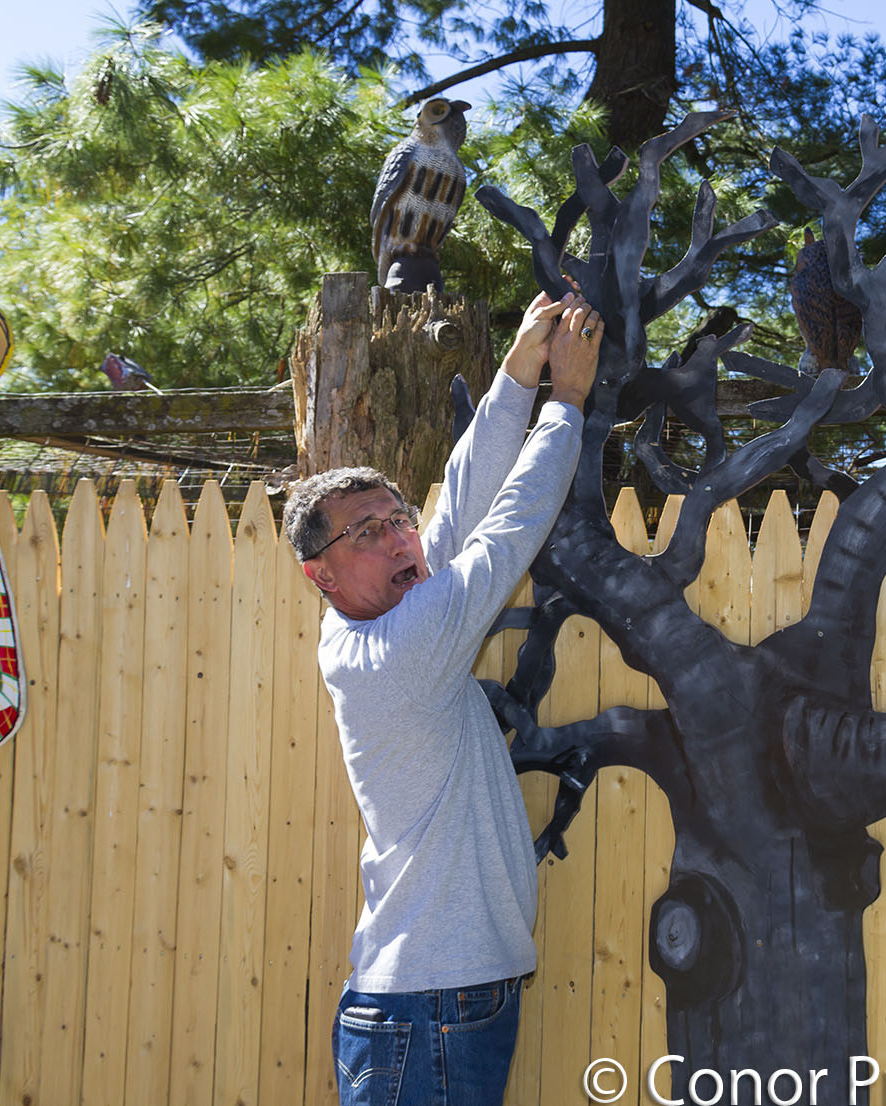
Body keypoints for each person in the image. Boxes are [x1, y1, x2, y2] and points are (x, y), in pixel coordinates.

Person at [283, 288, 602, 1106]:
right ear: (321, 575)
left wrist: (516, 375)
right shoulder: (405, 645)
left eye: (398, 520)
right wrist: (565, 399)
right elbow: (506, 530)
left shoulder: (373, 624)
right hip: (430, 1010)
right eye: (368, 532)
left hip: (433, 1001)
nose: (401, 537)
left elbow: (458, 506)